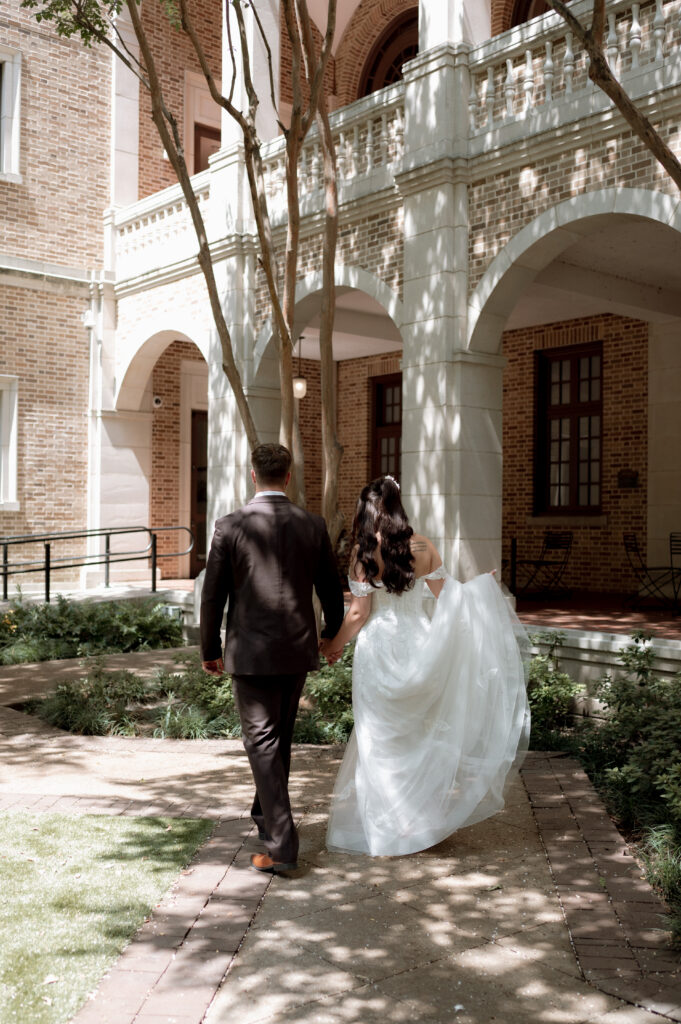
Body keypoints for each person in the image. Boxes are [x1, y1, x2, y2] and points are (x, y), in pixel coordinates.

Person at [320, 475, 531, 858]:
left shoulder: (364, 553)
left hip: (379, 650)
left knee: (379, 737)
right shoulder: (422, 546)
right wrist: (479, 588)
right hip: (419, 644)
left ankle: (388, 826)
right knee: (419, 733)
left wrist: (332, 646)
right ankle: (417, 820)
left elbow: (359, 614)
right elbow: (452, 598)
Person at [200, 443, 344, 874]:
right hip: (297, 648)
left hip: (251, 652)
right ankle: (265, 817)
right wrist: (330, 632)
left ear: (253, 475)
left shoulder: (230, 526)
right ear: (288, 476)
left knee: (261, 741)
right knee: (275, 739)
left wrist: (209, 649)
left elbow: (213, 595)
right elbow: (331, 588)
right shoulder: (312, 524)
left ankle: (282, 848)